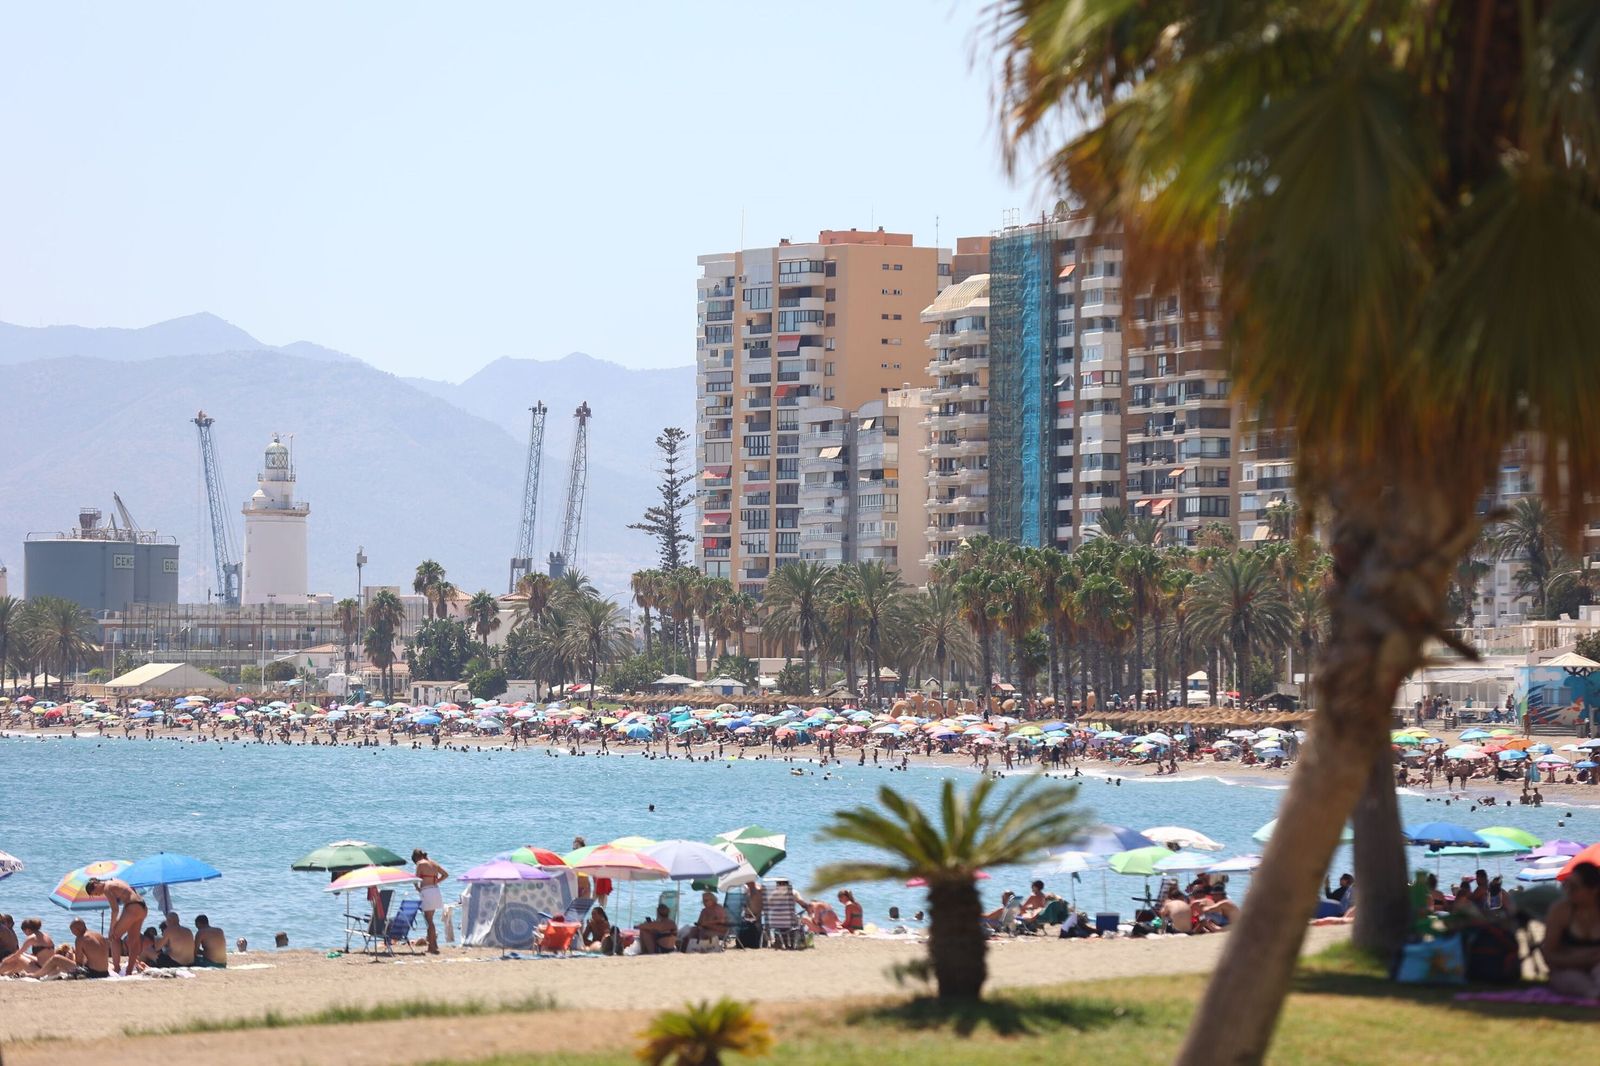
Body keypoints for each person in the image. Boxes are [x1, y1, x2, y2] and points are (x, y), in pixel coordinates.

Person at [1542, 862, 1600, 998]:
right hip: (1567, 969)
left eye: (1574, 887)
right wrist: (1581, 959)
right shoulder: (1561, 910)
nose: (1567, 891)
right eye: (1566, 885)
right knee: (1582, 985)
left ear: (1594, 889)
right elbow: (1548, 954)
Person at [84, 876, 146, 974]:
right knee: (133, 941)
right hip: (142, 906)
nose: (99, 895)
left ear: (96, 885)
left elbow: (115, 910)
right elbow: (131, 890)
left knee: (114, 937)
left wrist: (111, 928)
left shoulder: (106, 888)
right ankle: (129, 970)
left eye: (96, 893)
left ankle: (117, 968)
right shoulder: (115, 880)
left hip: (132, 906)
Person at [37, 919, 111, 979]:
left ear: (77, 929)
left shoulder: (81, 938)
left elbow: (79, 962)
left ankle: (36, 975)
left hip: (92, 973)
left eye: (72, 931)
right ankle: (46, 973)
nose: (73, 933)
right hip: (105, 972)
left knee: (56, 958)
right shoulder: (99, 935)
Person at [412, 849, 448, 954]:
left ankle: (432, 947)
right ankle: (434, 944)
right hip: (436, 891)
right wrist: (437, 881)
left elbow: (416, 879)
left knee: (429, 921)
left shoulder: (420, 864)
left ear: (416, 857)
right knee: (430, 919)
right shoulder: (433, 863)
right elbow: (445, 874)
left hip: (427, 892)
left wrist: (417, 888)